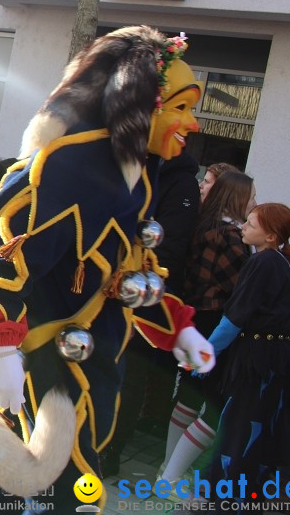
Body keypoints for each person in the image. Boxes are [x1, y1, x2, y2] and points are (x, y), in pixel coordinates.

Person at [0, 27, 215, 512]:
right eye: (181, 107)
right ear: (144, 106)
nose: (193, 123)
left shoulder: (135, 180)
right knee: (65, 490)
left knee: (48, 489)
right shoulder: (64, 170)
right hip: (49, 364)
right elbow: (2, 262)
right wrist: (0, 350)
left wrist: (176, 329)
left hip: (96, 363)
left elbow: (126, 275)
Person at [103, 150, 203, 477]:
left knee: (129, 373)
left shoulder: (180, 183)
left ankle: (110, 450)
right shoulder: (133, 166)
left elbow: (166, 249)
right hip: (109, 288)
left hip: (140, 291)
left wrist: (148, 293)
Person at [157, 169, 254, 485]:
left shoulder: (202, 225)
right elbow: (238, 286)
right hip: (215, 321)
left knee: (188, 392)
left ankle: (166, 466)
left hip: (193, 316)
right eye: (251, 196)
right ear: (238, 198)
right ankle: (171, 476)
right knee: (210, 401)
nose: (255, 201)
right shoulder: (232, 237)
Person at [204, 203, 290, 497]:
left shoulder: (266, 262)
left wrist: (204, 353)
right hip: (271, 358)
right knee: (252, 429)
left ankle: (223, 497)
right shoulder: (282, 262)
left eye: (251, 223)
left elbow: (235, 317)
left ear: (272, 236)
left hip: (259, 359)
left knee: (239, 429)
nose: (243, 227)